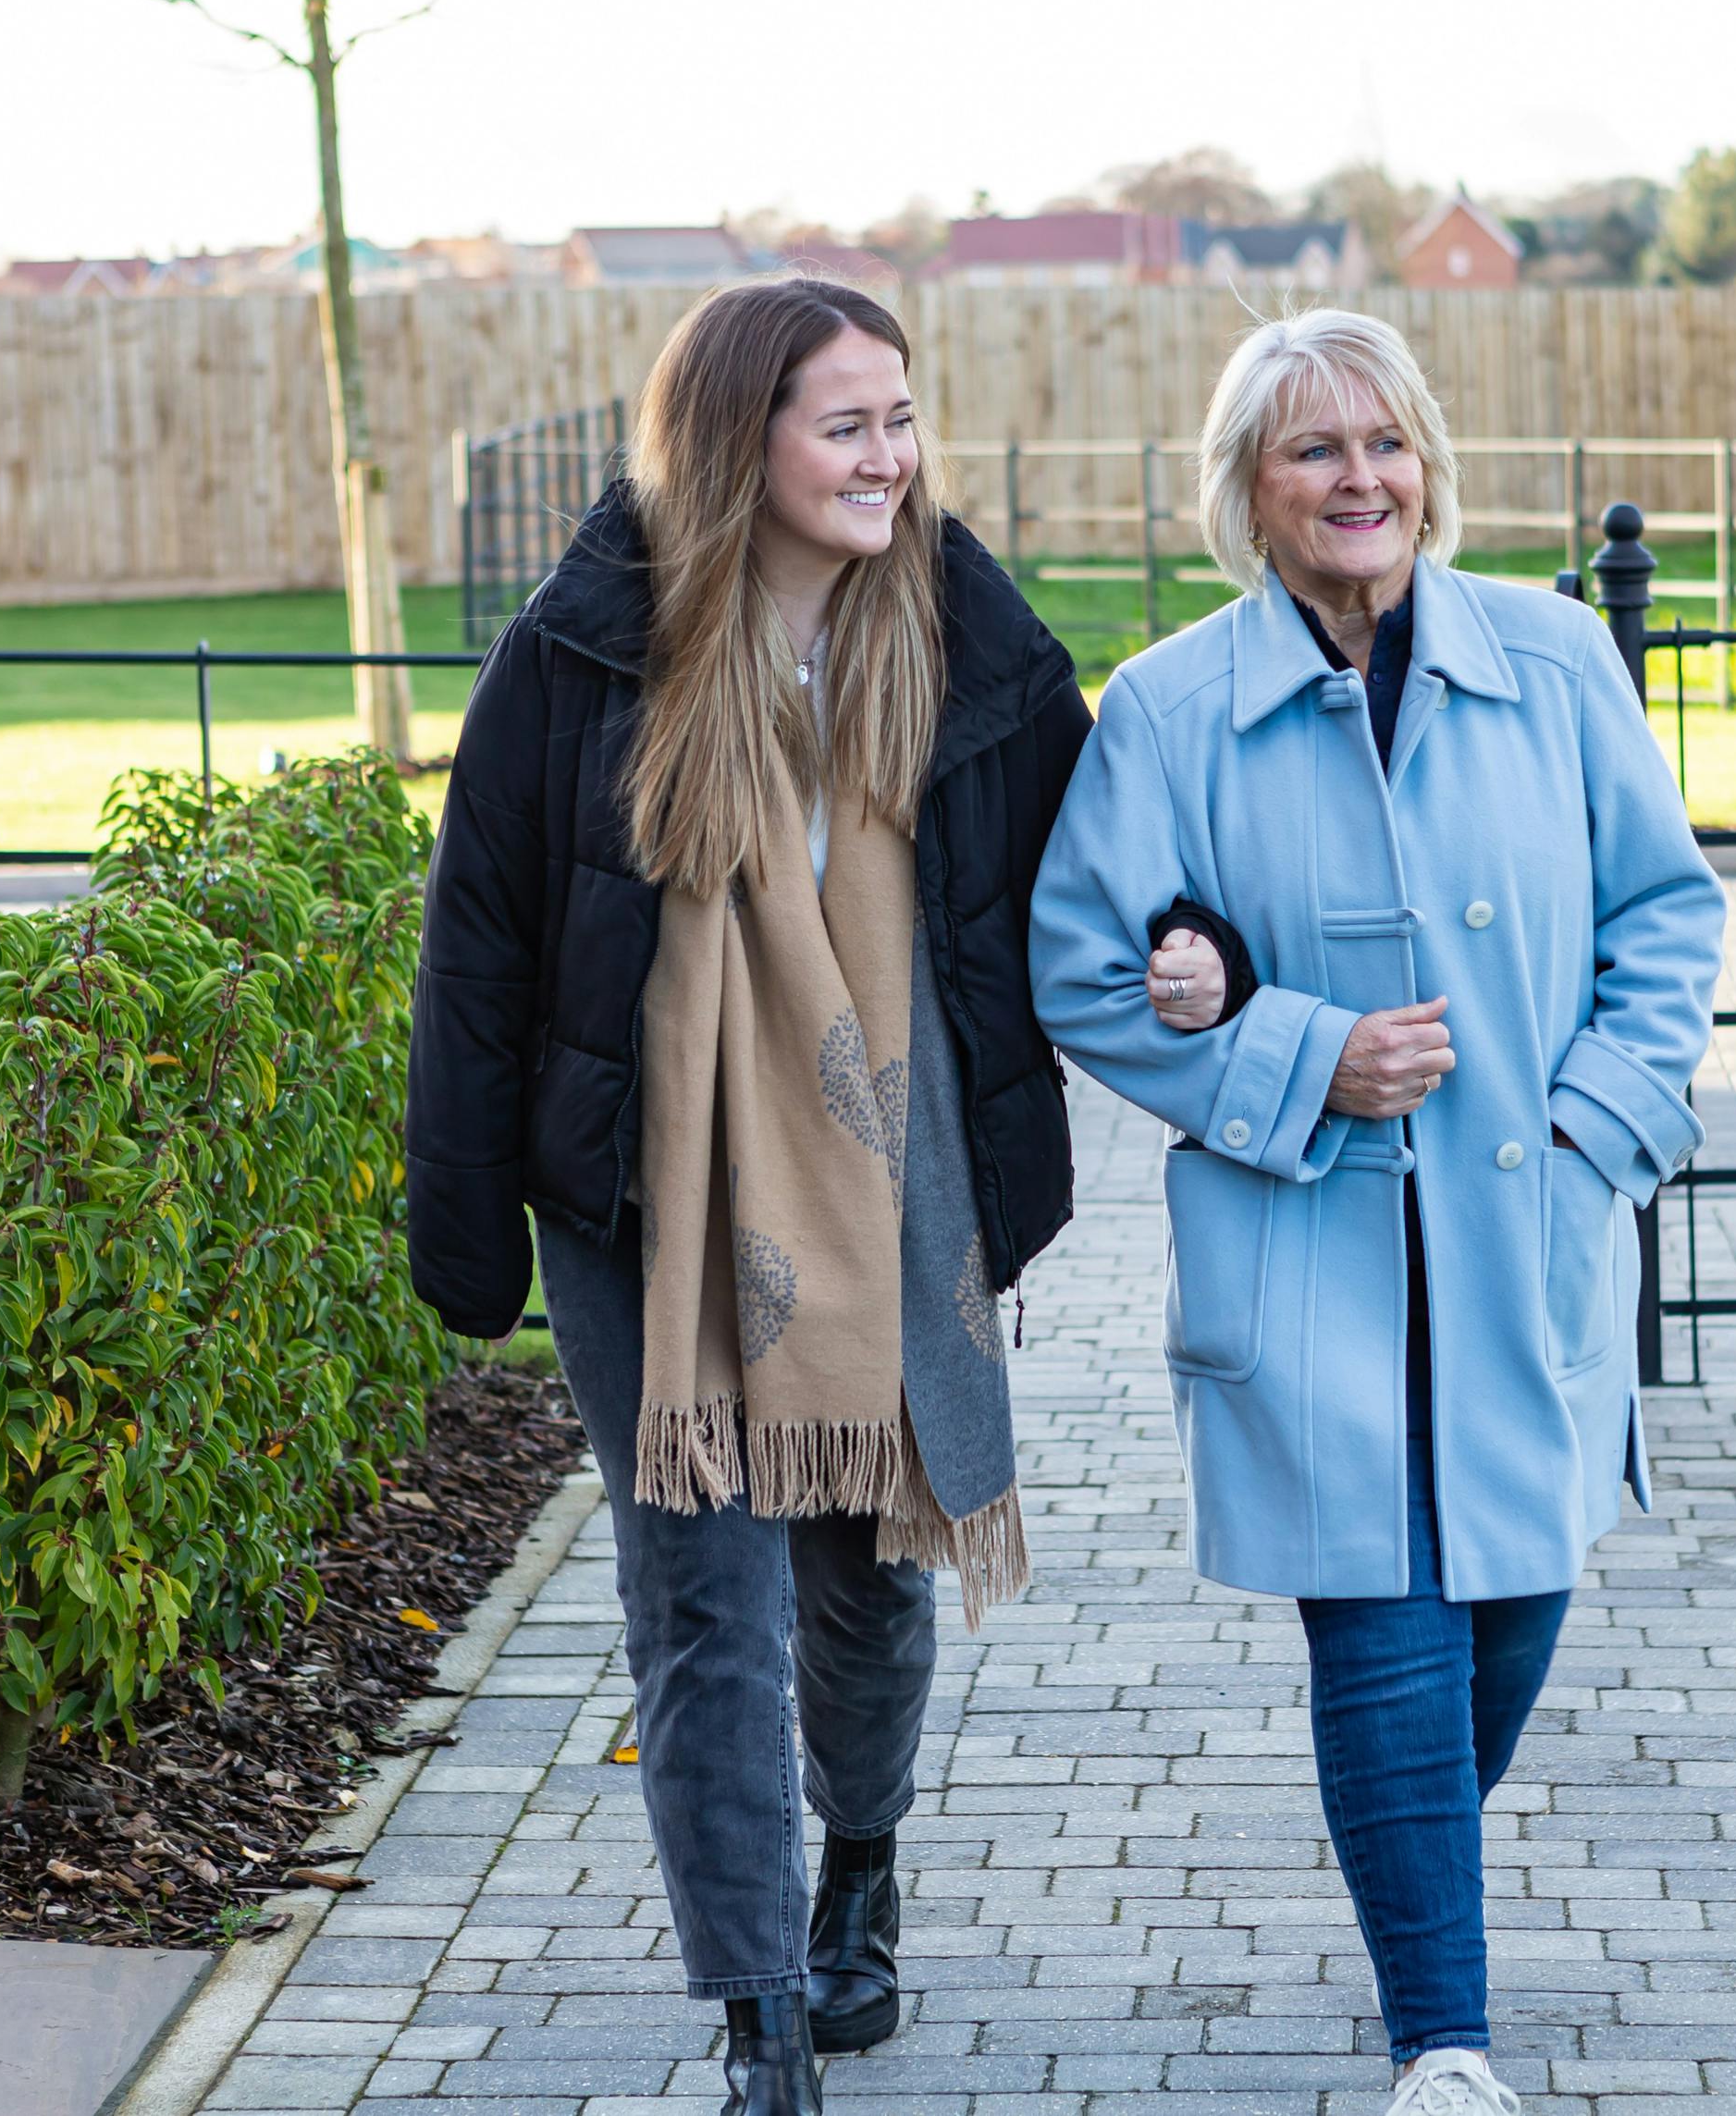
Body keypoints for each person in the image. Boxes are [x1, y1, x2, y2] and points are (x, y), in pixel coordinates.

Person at [407, 277, 1175, 2112]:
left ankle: (863, 1866)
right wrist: (468, 1225)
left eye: (901, 418)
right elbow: (480, 946)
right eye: (847, 425)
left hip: (901, 1171)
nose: (889, 457)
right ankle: (761, 2016)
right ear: (735, 440)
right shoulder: (584, 648)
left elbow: (1110, 860)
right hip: (643, 1194)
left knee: (866, 1563)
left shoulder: (969, 634)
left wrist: (1195, 936)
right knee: (699, 1591)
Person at [1028, 308, 1722, 2116]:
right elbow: (1082, 969)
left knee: (1511, 1609)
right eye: (1314, 449)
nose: (1361, 479)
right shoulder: (1171, 708)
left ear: (1430, 465)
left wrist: (1595, 1131)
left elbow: (1667, 914)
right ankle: (1445, 2041)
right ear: (1248, 491)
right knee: (1383, 1620)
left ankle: (1407, 1857)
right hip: (1309, 1252)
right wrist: (1303, 1059)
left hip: (1525, 1235)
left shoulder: (1556, 661)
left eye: (1386, 441)